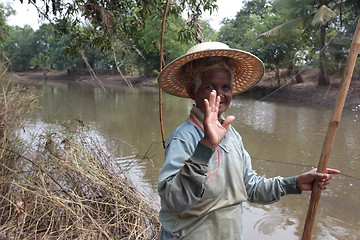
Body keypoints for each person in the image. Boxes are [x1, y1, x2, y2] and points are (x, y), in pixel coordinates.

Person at [156, 42, 340, 240]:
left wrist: (293, 183)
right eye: (210, 87)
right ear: (193, 91)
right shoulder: (183, 138)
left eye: (226, 87)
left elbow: (250, 188)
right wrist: (206, 146)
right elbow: (173, 202)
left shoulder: (232, 136)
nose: (220, 94)